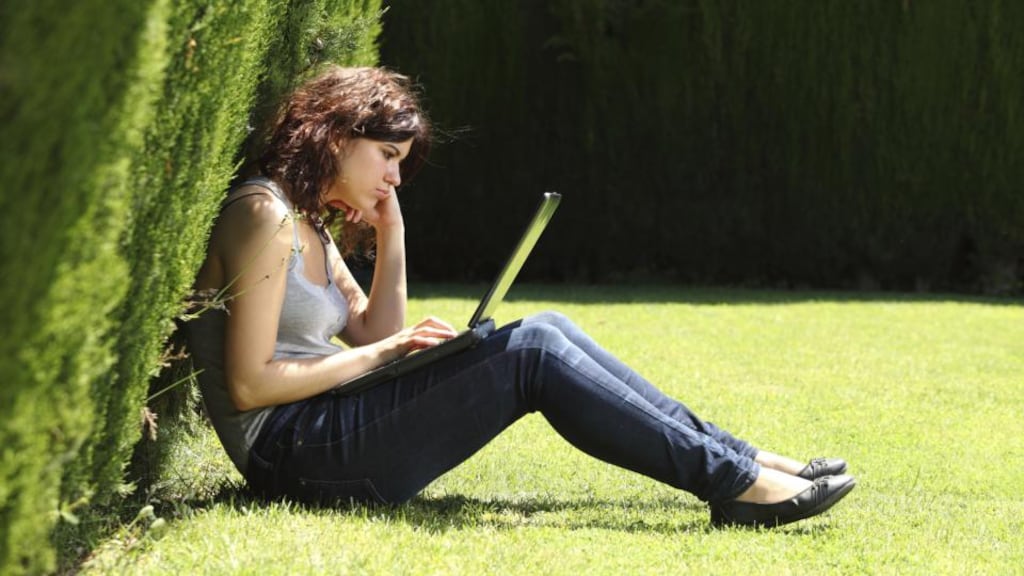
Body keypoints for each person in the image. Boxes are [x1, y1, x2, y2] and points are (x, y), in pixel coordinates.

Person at [187, 65, 855, 528]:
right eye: (388, 156)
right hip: (293, 455)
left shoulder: (313, 224)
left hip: (328, 423)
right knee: (531, 350)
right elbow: (250, 386)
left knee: (548, 326)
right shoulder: (264, 217)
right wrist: (385, 353)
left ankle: (746, 462)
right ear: (335, 136)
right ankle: (735, 484)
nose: (395, 174)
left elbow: (369, 330)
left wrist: (392, 231)